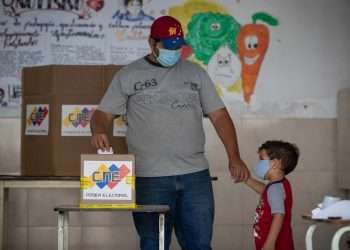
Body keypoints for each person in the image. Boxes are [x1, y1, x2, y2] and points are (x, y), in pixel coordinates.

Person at [90, 15, 249, 250]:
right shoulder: (129, 75)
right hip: (149, 178)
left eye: (178, 47)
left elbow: (220, 116)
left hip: (195, 176)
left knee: (200, 244)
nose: (174, 52)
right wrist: (99, 130)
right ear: (152, 43)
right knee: (153, 244)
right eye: (168, 46)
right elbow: (101, 115)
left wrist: (234, 157)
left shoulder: (196, 73)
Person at [244, 140, 299, 250]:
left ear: (275, 163)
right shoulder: (279, 185)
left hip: (275, 245)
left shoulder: (275, 188)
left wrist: (270, 243)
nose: (259, 163)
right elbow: (266, 192)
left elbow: (279, 215)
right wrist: (246, 179)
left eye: (261, 159)